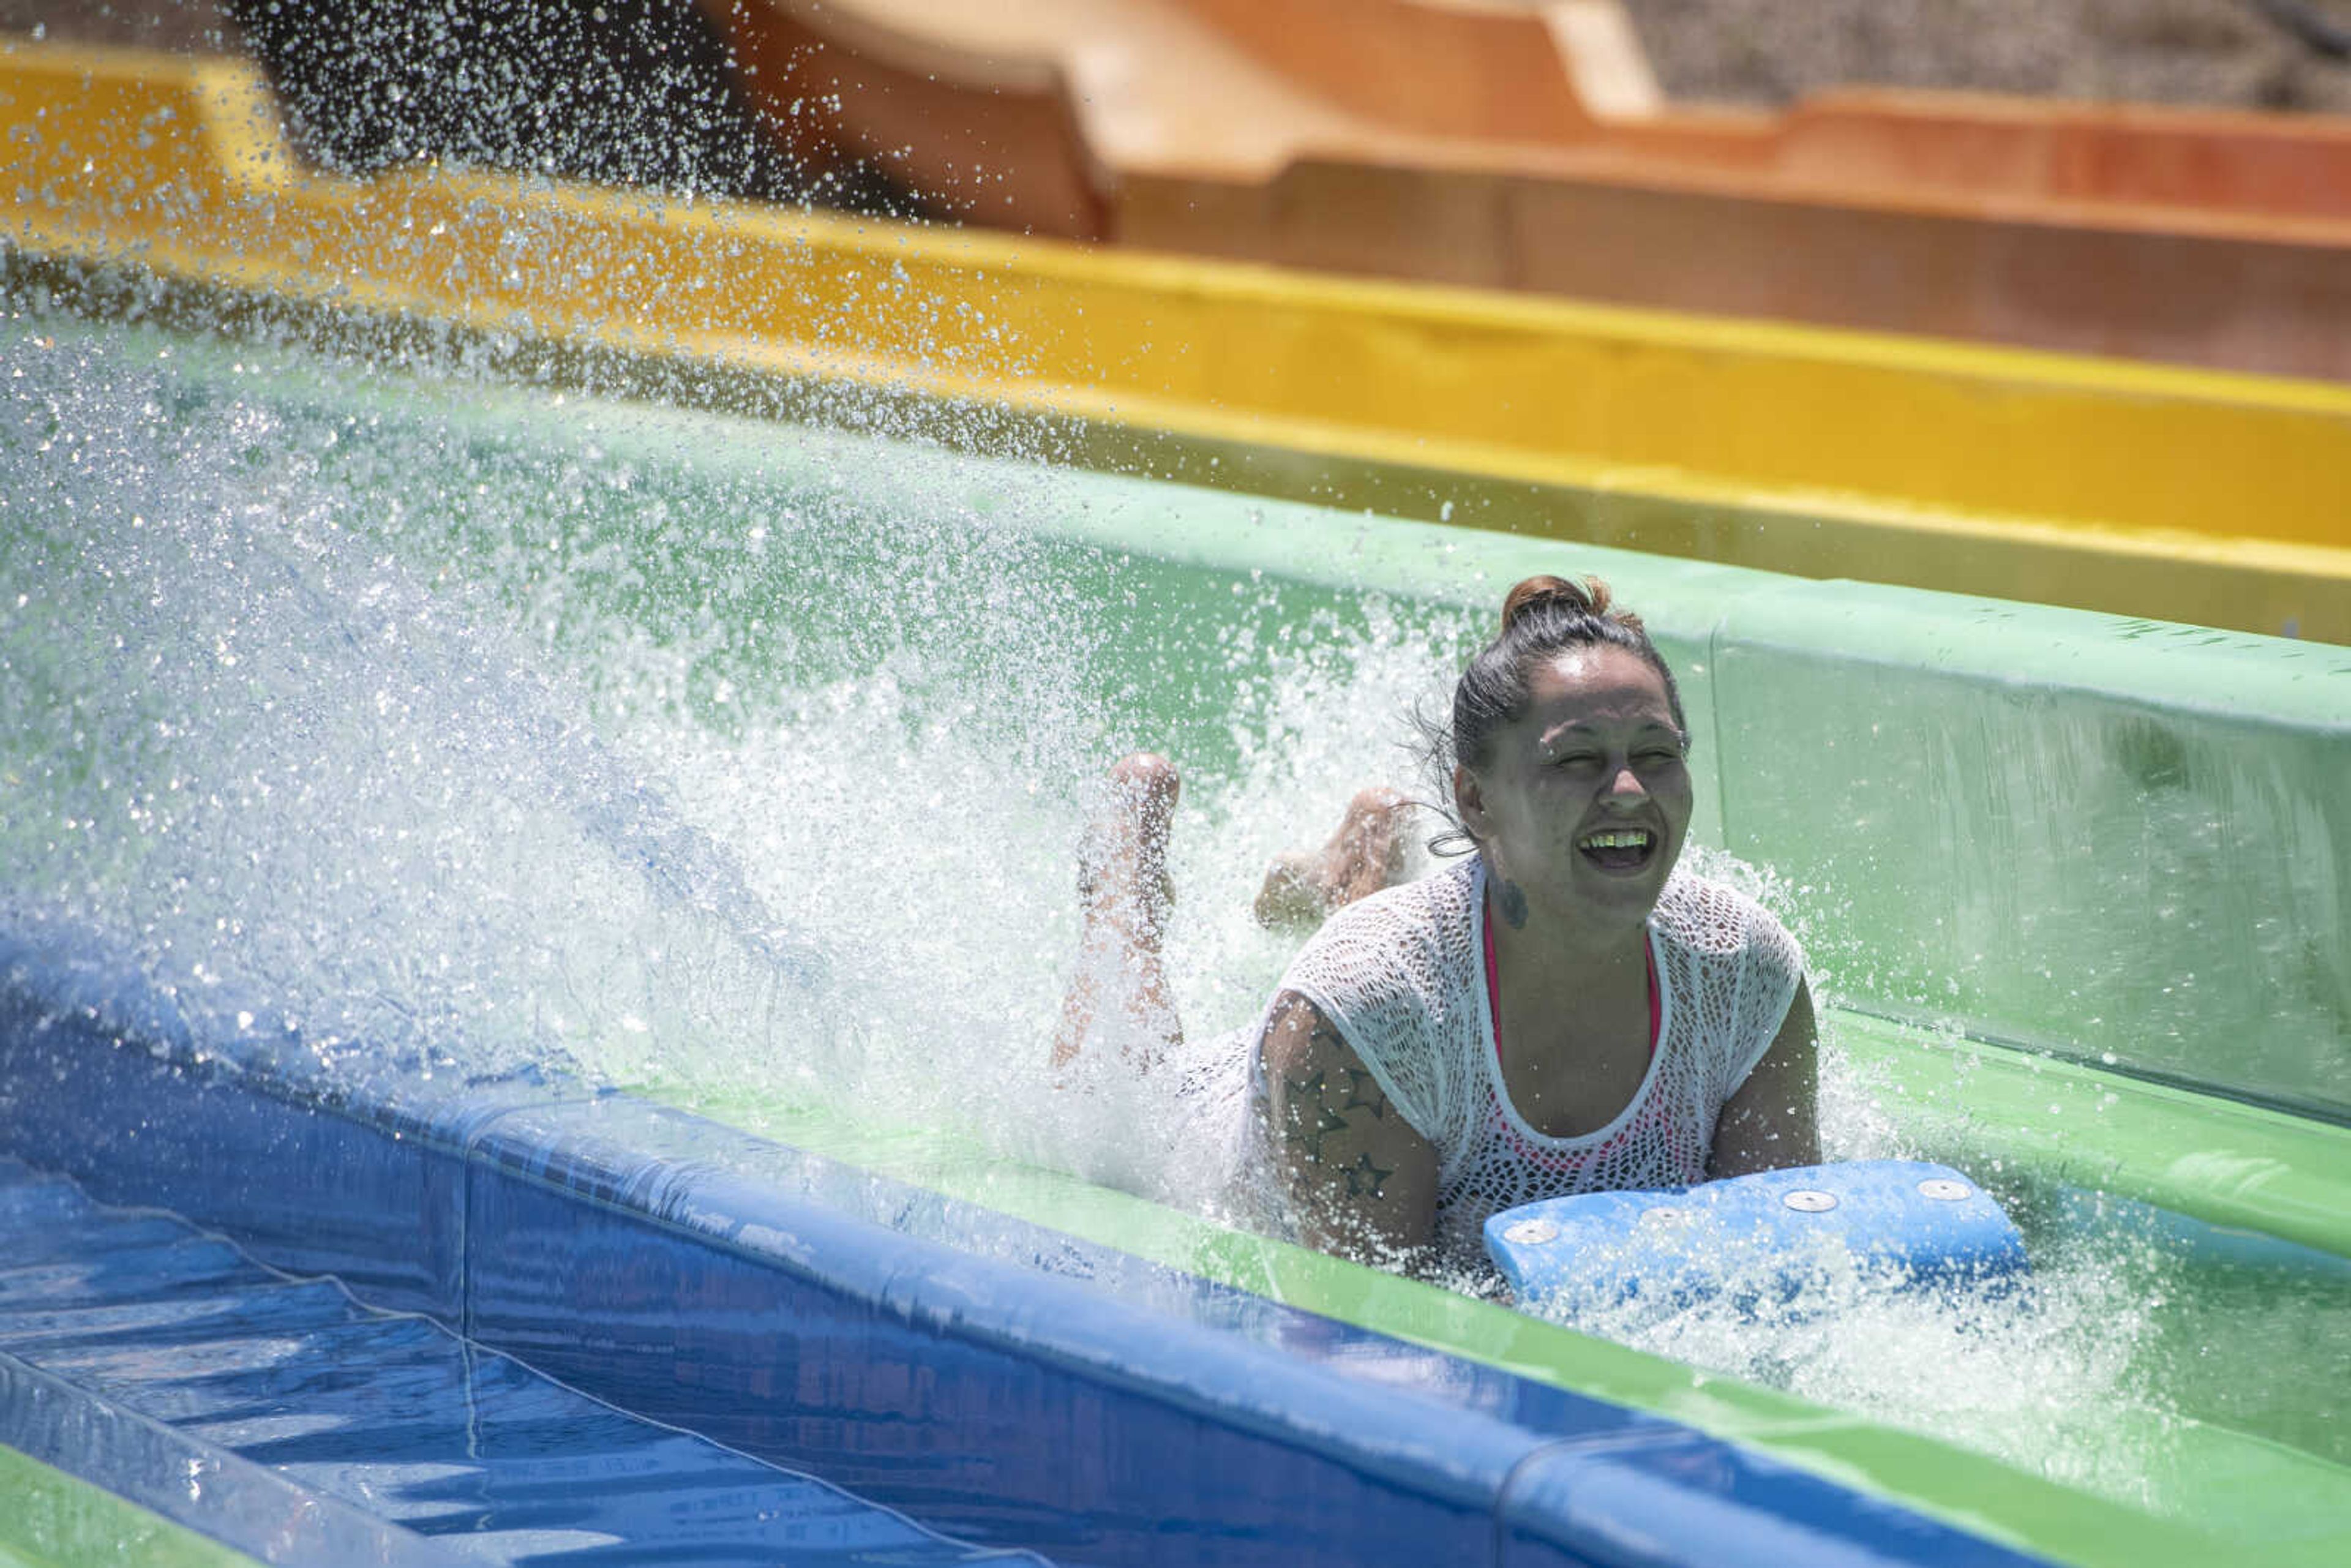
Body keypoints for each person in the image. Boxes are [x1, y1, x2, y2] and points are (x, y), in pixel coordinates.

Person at [1054, 573, 1818, 1280]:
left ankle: (1347, 871)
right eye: (1577, 760)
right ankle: (1124, 878)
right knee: (1111, 1075)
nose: (1627, 790)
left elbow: (1780, 1274)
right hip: (1209, 1119)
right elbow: (1375, 1336)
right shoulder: (1357, 1015)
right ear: (1475, 801)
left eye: (1655, 754)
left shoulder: (1745, 972)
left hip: (1401, 1010)